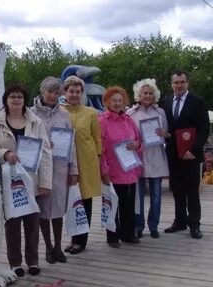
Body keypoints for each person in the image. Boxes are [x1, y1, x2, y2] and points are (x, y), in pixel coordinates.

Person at [0, 83, 52, 276]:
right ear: (6, 100)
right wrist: (5, 153)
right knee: (12, 224)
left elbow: (45, 152)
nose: (16, 100)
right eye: (12, 97)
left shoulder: (36, 122)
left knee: (32, 223)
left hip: (32, 180)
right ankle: (15, 263)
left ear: (24, 100)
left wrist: (45, 181)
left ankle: (33, 261)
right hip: (9, 181)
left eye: (19, 97)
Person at [30, 77, 78, 264]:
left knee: (58, 209)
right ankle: (48, 247)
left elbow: (71, 145)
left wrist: (74, 170)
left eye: (56, 93)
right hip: (40, 169)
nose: (52, 96)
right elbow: (26, 140)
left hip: (60, 169)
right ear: (42, 91)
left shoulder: (64, 115)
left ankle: (58, 246)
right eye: (49, 92)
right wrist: (42, 145)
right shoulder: (31, 114)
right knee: (43, 210)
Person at [162, 70, 210, 239]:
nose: (179, 85)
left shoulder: (198, 102)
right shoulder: (166, 102)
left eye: (182, 82)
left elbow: (204, 129)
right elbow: (167, 129)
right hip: (173, 155)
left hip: (191, 155)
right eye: (176, 82)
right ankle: (180, 221)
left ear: (187, 83)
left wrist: (194, 150)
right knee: (177, 190)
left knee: (192, 192)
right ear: (172, 84)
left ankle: (194, 224)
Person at [61, 75, 102, 254]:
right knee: (70, 201)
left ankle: (81, 241)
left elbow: (97, 137)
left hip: (86, 163)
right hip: (66, 163)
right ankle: (72, 238)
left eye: (78, 92)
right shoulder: (60, 111)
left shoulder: (91, 113)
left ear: (82, 93)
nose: (74, 95)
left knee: (85, 202)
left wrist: (98, 157)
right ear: (65, 92)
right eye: (71, 91)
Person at [99, 86, 142, 247]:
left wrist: (136, 144)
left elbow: (139, 142)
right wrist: (104, 171)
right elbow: (100, 150)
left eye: (120, 100)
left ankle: (128, 233)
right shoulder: (102, 121)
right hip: (113, 171)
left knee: (129, 204)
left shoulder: (129, 120)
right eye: (114, 101)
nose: (118, 104)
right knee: (113, 205)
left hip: (130, 169)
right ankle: (112, 236)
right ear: (107, 102)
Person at [128, 78, 169, 239]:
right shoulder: (130, 113)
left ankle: (154, 226)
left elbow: (166, 134)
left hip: (156, 156)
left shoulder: (160, 113)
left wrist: (165, 134)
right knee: (138, 196)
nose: (148, 95)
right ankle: (139, 226)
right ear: (139, 94)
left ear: (155, 95)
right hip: (137, 157)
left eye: (151, 93)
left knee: (156, 195)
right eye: (145, 92)